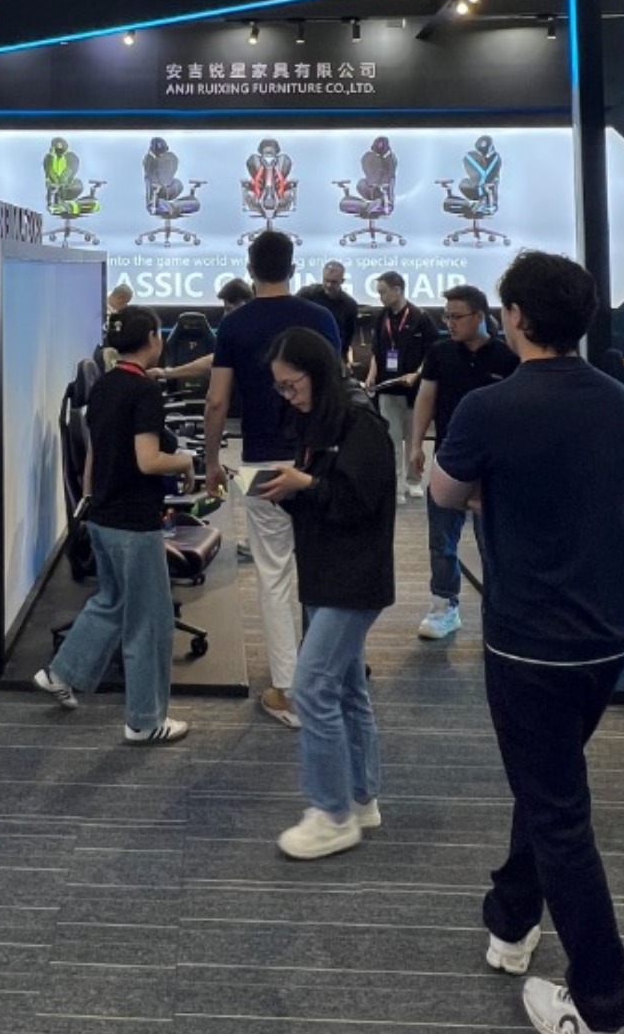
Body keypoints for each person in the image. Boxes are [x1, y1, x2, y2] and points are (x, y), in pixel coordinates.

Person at [430, 250, 624, 1034]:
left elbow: (444, 493)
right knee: (547, 781)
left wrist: (492, 485)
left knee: (559, 815)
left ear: (515, 318)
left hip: (530, 644)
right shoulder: (614, 395)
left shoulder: (490, 407)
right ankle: (513, 917)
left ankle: (607, 1016)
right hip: (608, 636)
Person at [255, 327, 398, 859]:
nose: (287, 396)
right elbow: (325, 497)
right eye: (280, 388)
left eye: (292, 385)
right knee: (345, 690)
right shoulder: (319, 422)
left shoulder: (361, 424)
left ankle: (332, 813)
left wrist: (307, 485)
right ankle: (360, 798)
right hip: (324, 572)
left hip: (353, 579)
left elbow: (359, 503)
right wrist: (292, 489)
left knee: (311, 688)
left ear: (317, 374)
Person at [33, 306, 192, 744]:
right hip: (134, 522)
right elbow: (149, 461)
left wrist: (89, 501)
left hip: (102, 514)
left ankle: (61, 672)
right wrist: (185, 461)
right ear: (154, 339)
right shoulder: (144, 391)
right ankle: (145, 720)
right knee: (149, 622)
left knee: (112, 602)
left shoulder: (102, 385)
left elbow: (95, 454)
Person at [203, 229, 340, 727]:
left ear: (249, 268)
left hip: (260, 462)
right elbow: (337, 386)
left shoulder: (235, 324)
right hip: (318, 457)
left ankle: (289, 689)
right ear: (293, 267)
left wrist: (211, 461)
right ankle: (328, 674)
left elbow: (216, 401)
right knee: (322, 570)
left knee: (274, 575)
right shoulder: (321, 318)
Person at [407, 285, 518, 641]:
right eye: (446, 316)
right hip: (448, 462)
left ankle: (499, 609)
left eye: (456, 316)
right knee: (442, 541)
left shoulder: (507, 357)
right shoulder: (440, 353)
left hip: (494, 468)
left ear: (480, 316)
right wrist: (416, 445)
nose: (449, 323)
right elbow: (426, 398)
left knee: (493, 543)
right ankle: (444, 605)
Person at [365, 271, 435, 497]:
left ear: (397, 290)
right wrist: (372, 374)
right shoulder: (381, 317)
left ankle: (414, 480)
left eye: (383, 292)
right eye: (378, 293)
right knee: (391, 440)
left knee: (414, 438)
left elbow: (432, 354)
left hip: (414, 390)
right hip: (387, 388)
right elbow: (376, 351)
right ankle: (396, 484)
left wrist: (417, 373)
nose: (381, 297)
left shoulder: (420, 317)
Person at [317, 259, 361, 365]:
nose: (329, 285)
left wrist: (343, 360)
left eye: (333, 282)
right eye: (326, 280)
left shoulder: (350, 305)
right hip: (308, 352)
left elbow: (348, 337)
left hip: (334, 356)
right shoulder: (307, 295)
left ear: (342, 281)